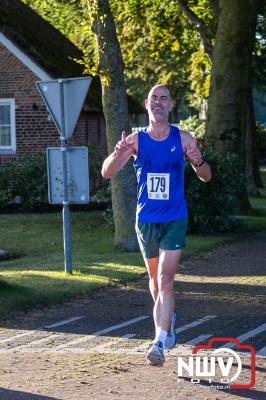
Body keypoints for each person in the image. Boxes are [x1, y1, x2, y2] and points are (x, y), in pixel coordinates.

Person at [101, 84, 211, 366]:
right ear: (148, 105)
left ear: (171, 105)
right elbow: (107, 172)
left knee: (165, 279)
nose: (158, 102)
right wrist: (117, 152)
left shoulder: (183, 138)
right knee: (154, 281)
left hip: (174, 218)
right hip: (146, 220)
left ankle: (159, 342)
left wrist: (198, 162)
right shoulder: (136, 141)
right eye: (154, 98)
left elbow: (206, 176)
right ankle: (169, 320)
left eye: (164, 98)